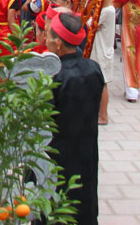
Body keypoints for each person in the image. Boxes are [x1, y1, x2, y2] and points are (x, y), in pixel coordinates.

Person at [45, 11, 104, 224]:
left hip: (58, 152)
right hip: (87, 149)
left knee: (58, 196)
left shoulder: (55, 77)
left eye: (49, 36)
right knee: (83, 194)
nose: (46, 40)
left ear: (59, 43)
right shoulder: (93, 69)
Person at [88, 0, 115, 125]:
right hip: (99, 47)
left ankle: (103, 116)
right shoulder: (104, 9)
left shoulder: (107, 11)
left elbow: (91, 25)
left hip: (102, 49)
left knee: (102, 82)